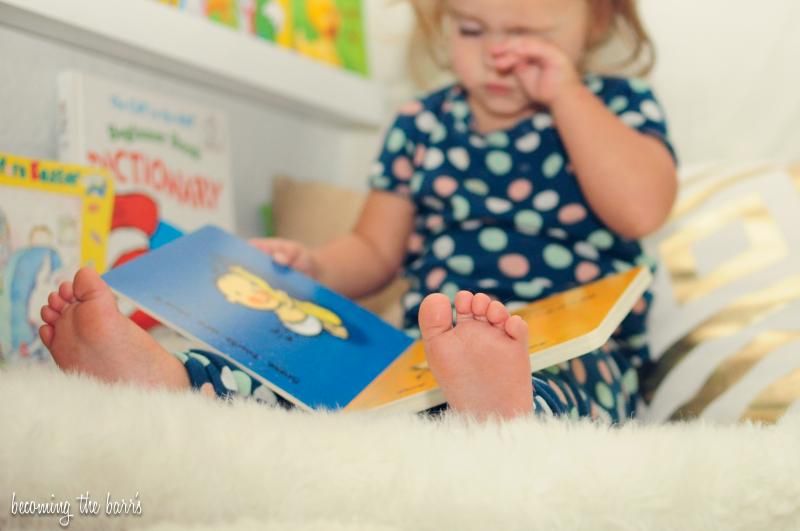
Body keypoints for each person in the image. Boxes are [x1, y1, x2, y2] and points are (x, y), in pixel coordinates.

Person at [40, 0, 677, 422]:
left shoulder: (617, 105)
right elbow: (374, 251)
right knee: (323, 378)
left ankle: (506, 407)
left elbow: (641, 208)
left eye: (531, 35)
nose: (502, 53)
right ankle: (173, 380)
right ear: (438, 23)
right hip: (428, 343)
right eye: (473, 29)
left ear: (596, 21)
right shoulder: (421, 124)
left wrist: (566, 92)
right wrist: (311, 262)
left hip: (577, 348)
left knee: (572, 394)